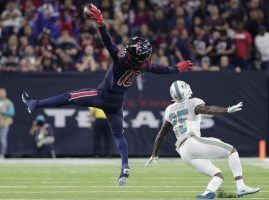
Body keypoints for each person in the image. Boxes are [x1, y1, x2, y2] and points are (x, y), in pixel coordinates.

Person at [21, 4, 193, 186]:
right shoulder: (143, 65)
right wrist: (177, 68)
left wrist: (101, 23)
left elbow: (107, 42)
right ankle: (125, 166)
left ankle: (35, 104)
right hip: (117, 102)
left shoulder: (122, 60)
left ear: (133, 54)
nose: (127, 47)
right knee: (119, 136)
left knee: (69, 97)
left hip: (102, 95)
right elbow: (161, 69)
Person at [146, 81, 260, 199]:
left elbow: (161, 134)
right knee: (232, 151)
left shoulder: (169, 109)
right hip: (192, 141)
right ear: (186, 90)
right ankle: (241, 186)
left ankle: (207, 193)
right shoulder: (192, 102)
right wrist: (226, 110)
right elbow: (208, 109)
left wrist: (154, 154)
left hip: (183, 152)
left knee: (217, 174)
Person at [0, 88, 15, 159]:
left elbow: (12, 113)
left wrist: (3, 112)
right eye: (0, 93)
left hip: (4, 123)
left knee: (3, 139)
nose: (2, 94)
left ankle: (2, 154)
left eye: (3, 93)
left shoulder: (8, 102)